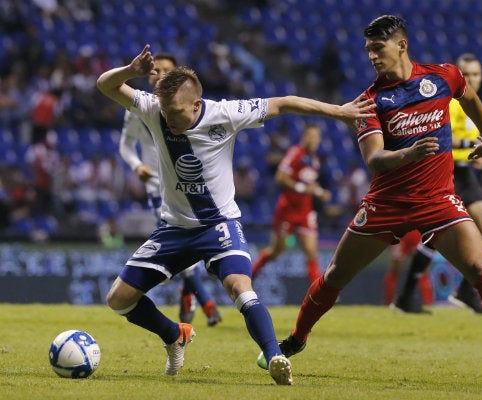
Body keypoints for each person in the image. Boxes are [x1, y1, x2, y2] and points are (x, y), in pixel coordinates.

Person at [256, 15, 482, 381]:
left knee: (479, 268)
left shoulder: (442, 77)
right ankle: (296, 339)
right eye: (368, 51)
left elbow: (469, 96)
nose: (372, 57)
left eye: (378, 48)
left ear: (401, 45)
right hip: (386, 204)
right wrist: (410, 154)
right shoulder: (369, 102)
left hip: (438, 198)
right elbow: (375, 159)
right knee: (336, 275)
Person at [96, 44, 375, 385]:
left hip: (218, 226)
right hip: (175, 228)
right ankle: (174, 334)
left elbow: (284, 102)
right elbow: (105, 86)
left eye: (177, 112)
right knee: (118, 299)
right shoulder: (155, 109)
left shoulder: (225, 114)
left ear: (197, 105)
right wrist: (130, 70)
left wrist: (340, 111)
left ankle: (274, 356)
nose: (168, 118)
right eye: (165, 112)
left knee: (240, 287)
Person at [118, 52, 221, 327]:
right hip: (158, 189)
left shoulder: (187, 110)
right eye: (156, 70)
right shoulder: (141, 108)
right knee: (184, 250)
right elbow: (125, 146)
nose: (160, 74)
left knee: (189, 251)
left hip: (191, 190)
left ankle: (193, 300)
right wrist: (136, 164)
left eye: (167, 71)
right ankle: (206, 304)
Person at [391, 53, 482, 314]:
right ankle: (408, 295)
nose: (471, 79)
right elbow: (440, 139)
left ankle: (461, 290)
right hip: (443, 172)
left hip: (464, 173)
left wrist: (479, 156)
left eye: (476, 74)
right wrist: (470, 149)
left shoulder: (474, 105)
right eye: (467, 74)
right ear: (458, 75)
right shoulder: (445, 101)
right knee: (434, 237)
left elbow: (472, 143)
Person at [251, 123, 331, 283]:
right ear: (304, 137)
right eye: (311, 137)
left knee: (311, 252)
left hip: (305, 211)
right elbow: (280, 177)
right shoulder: (295, 153)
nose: (314, 140)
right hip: (287, 210)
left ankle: (318, 295)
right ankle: (249, 277)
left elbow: (309, 184)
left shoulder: (315, 160)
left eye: (317, 137)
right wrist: (303, 188)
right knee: (275, 251)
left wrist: (319, 192)